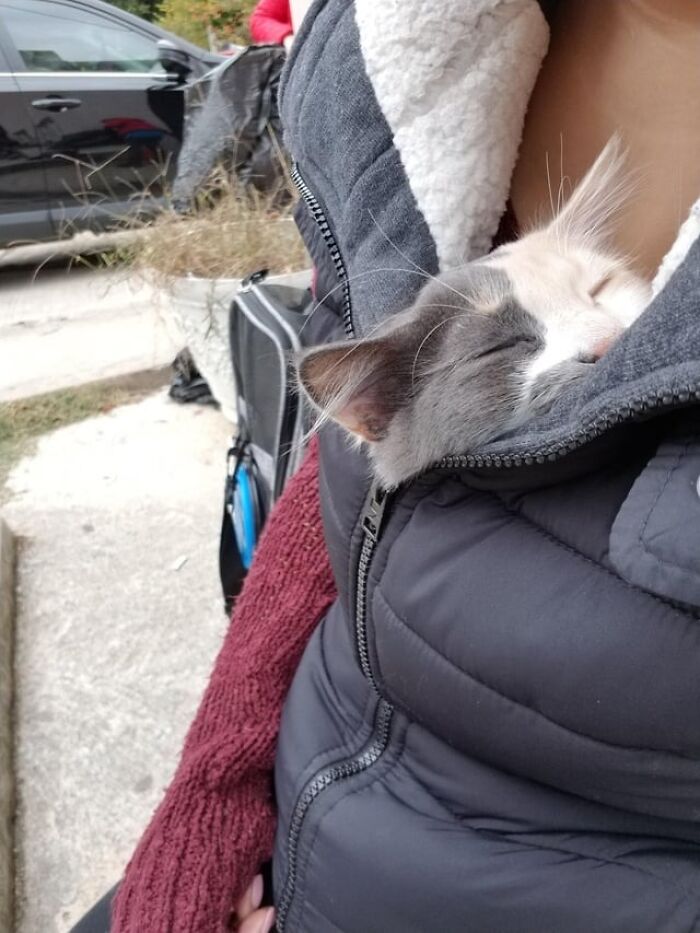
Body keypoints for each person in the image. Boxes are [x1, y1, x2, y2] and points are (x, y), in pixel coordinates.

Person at [78, 0, 700, 930]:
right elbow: (329, 502)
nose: (602, 339)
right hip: (292, 803)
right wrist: (200, 823)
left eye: (610, 290)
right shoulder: (400, 57)